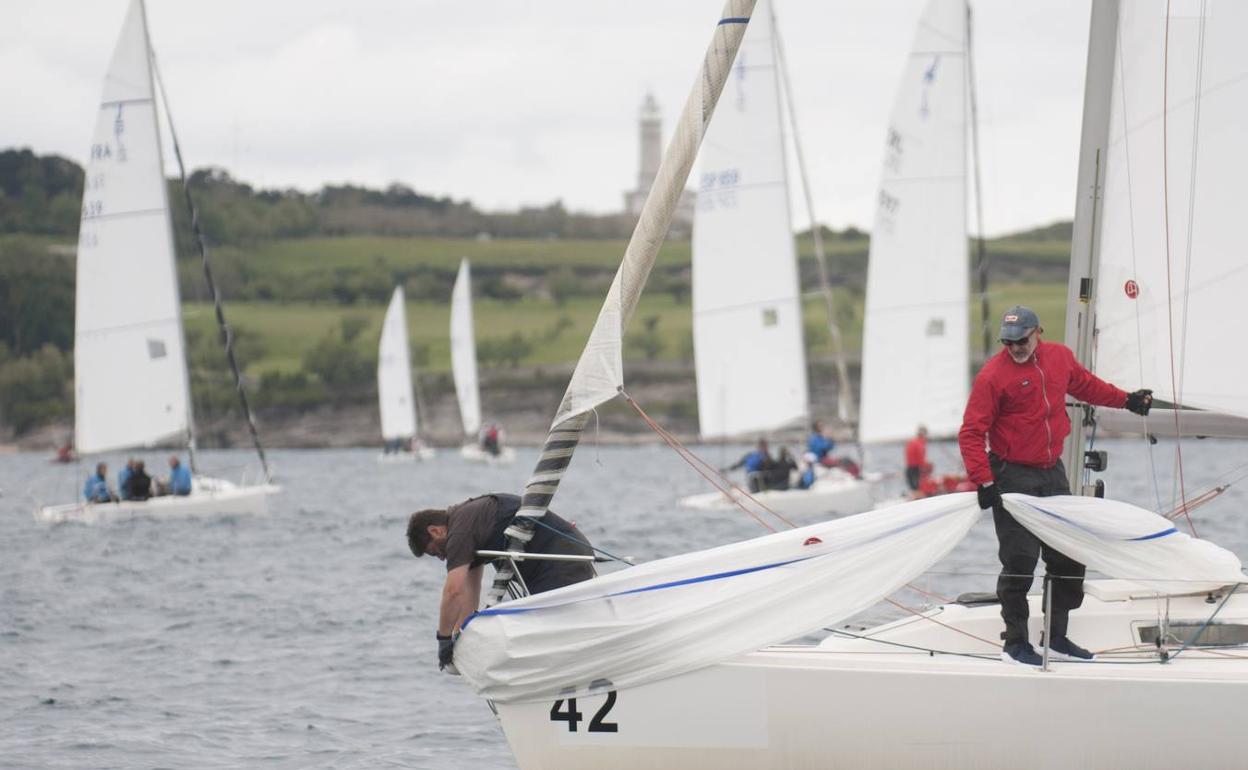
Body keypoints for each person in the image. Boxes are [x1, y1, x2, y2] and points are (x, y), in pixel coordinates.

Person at [958, 305, 1153, 666]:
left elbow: (1087, 386)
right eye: (1008, 342)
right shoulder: (992, 376)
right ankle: (1015, 644)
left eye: (1021, 340)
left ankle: (1058, 637)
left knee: (1068, 555)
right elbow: (971, 432)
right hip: (1012, 475)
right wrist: (984, 480)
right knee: (1020, 560)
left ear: (1037, 333)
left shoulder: (1059, 358)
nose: (1015, 347)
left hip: (1052, 472)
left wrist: (1127, 400)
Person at [407, 493, 596, 670]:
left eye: (434, 552)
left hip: (563, 561)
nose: (441, 558)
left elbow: (452, 591)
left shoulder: (460, 530)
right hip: (566, 556)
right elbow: (469, 592)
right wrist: (458, 639)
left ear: (435, 530)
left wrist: (443, 639)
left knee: (553, 639)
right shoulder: (468, 520)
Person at [904, 426, 931, 499]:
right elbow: (920, 458)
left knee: (913, 489)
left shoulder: (911, 442)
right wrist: (926, 467)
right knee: (917, 489)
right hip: (915, 469)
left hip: (909, 469)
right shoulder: (919, 443)